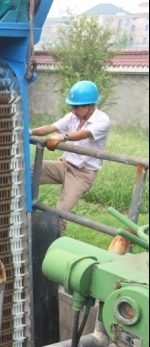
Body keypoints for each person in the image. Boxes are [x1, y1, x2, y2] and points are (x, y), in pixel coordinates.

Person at [30, 80, 111, 235]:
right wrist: (28, 132)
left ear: (90, 105)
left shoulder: (102, 120)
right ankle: (23, 218)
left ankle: (58, 243)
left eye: (76, 107)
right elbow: (51, 127)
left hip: (82, 174)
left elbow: (85, 133)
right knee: (30, 170)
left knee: (60, 213)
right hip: (64, 165)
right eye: (71, 106)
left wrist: (63, 136)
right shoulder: (72, 116)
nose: (73, 110)